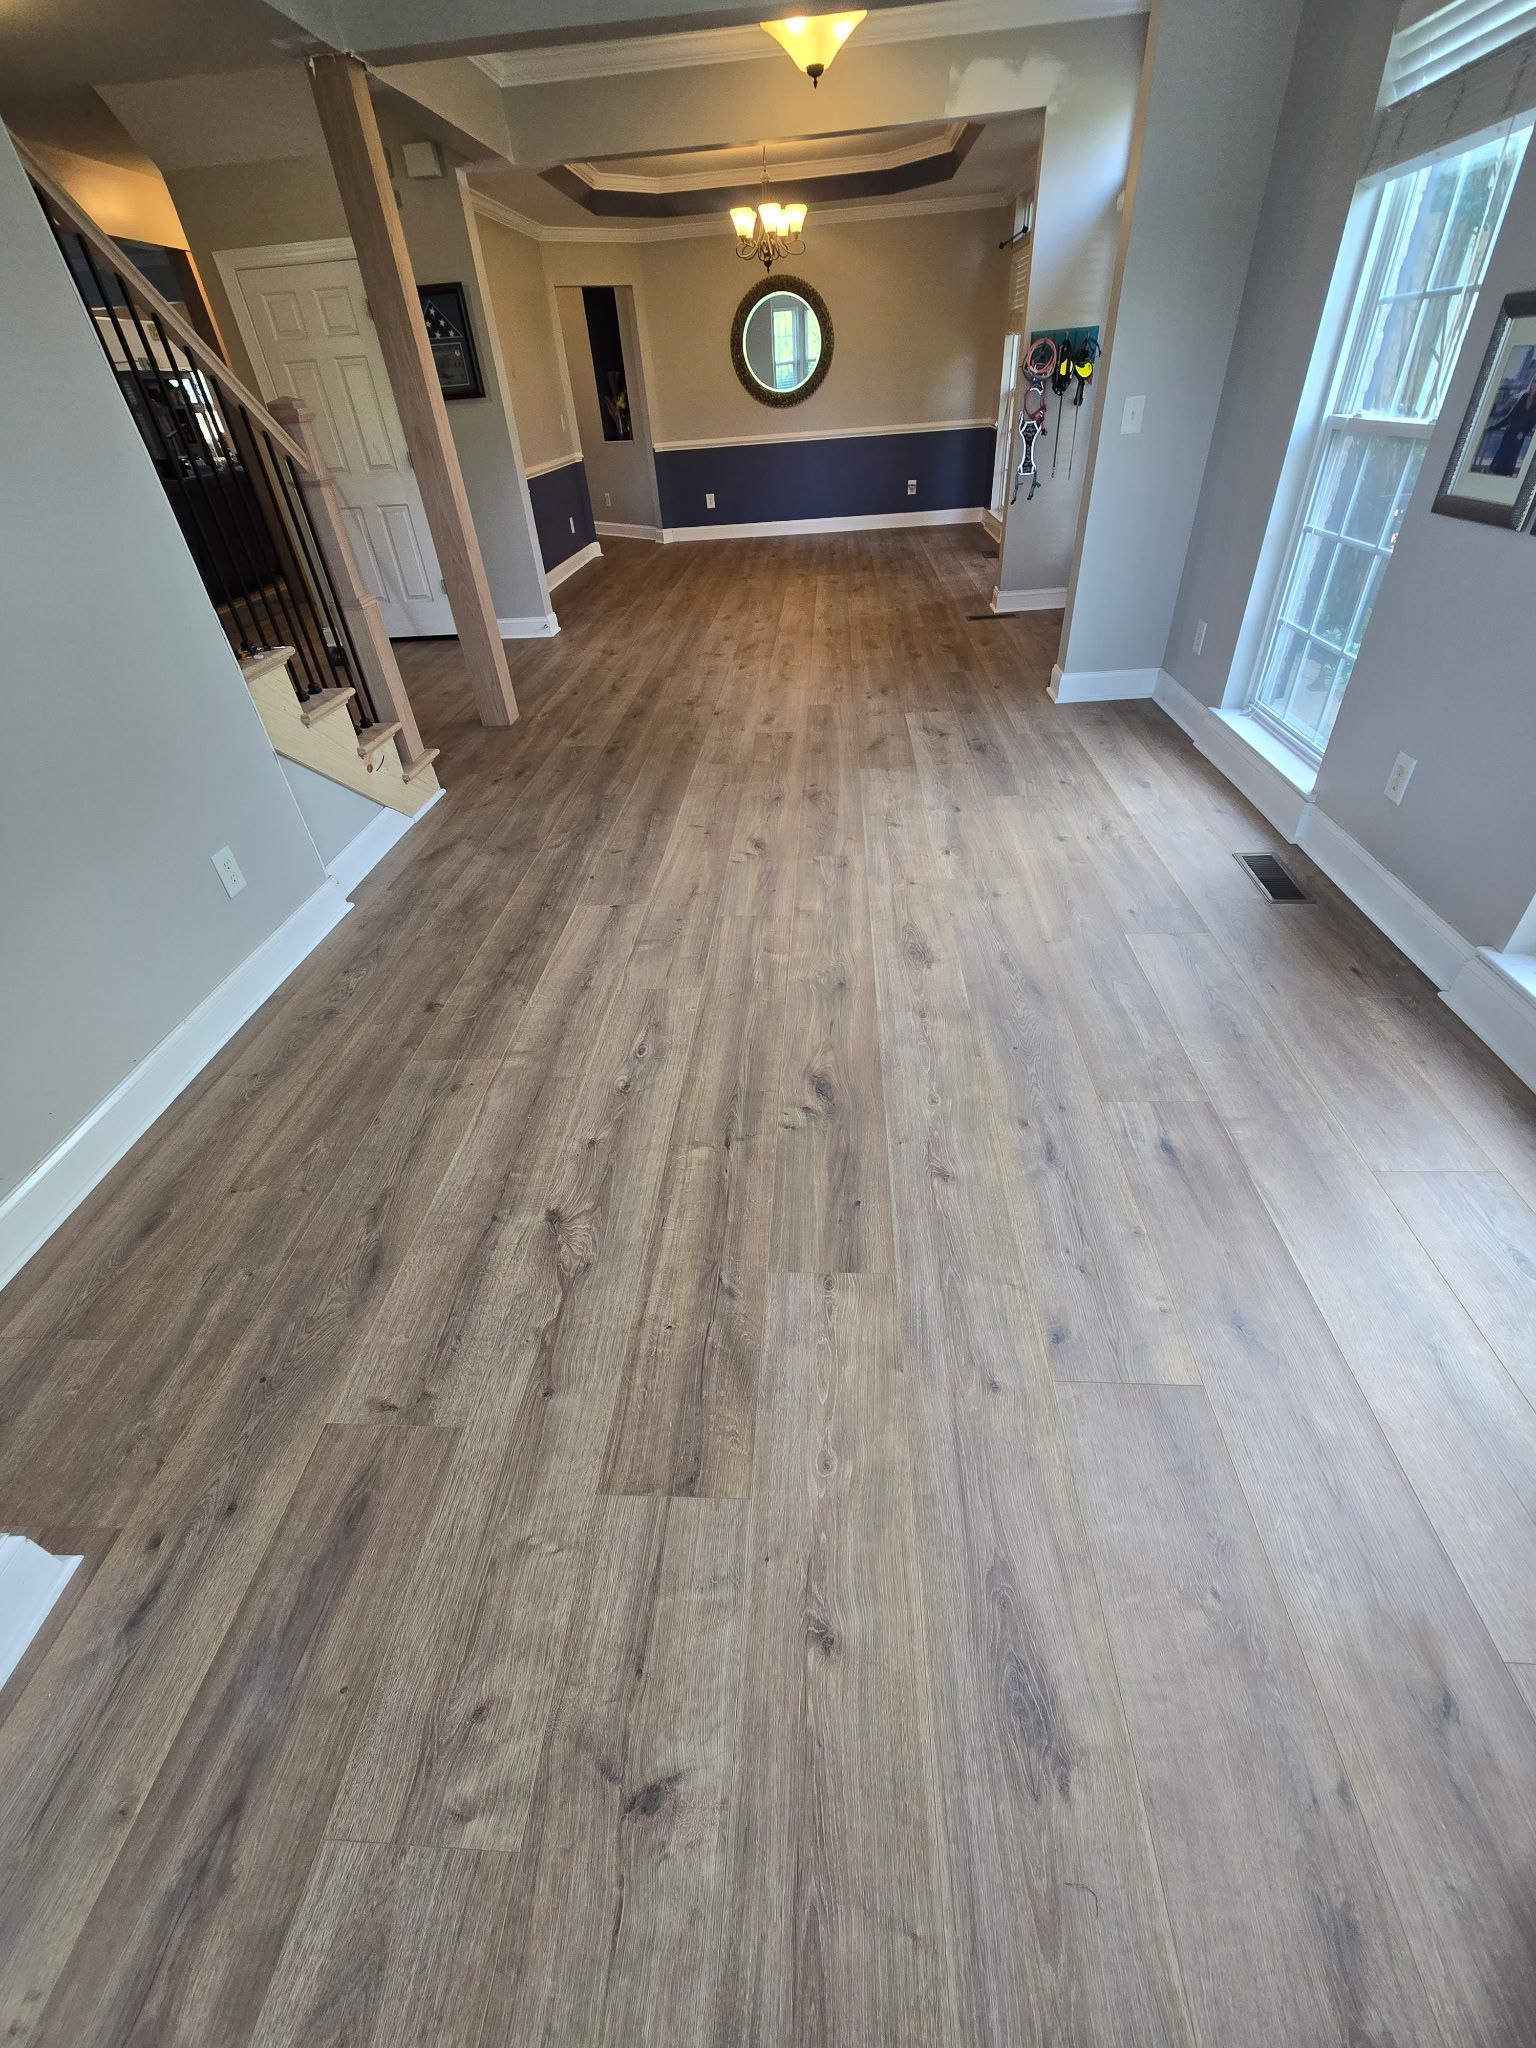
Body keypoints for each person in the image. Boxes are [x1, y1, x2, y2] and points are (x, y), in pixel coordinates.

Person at [1476, 357, 1536, 477]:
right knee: (1500, 459)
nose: (1535, 385)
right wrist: (1493, 427)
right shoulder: (1523, 397)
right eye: (1534, 381)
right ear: (1531, 383)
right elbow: (1510, 417)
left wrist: (1523, 432)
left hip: (1519, 436)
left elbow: (1532, 422)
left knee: (1510, 461)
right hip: (1510, 433)